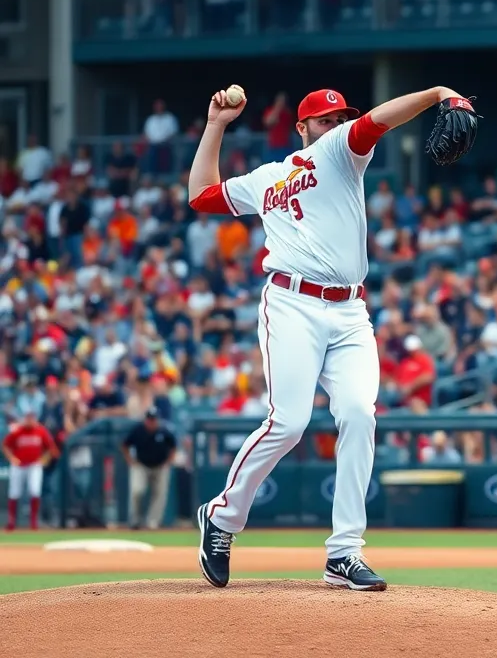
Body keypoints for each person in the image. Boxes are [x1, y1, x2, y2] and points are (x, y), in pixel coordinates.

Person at [187, 80, 470, 591]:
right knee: (290, 422)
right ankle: (222, 518)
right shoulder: (268, 177)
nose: (335, 126)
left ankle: (344, 552)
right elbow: (202, 196)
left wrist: (435, 95)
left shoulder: (342, 153)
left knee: (360, 415)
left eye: (339, 120)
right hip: (291, 302)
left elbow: (378, 121)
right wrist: (215, 127)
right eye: (324, 120)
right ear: (302, 127)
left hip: (349, 311)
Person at [122, 407, 178, 530]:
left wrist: (168, 462)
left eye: (154, 419)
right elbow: (125, 445)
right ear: (146, 420)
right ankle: (135, 521)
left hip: (160, 465)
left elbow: (173, 446)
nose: (151, 422)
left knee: (159, 494)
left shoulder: (164, 431)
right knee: (137, 491)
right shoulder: (138, 430)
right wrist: (131, 460)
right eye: (149, 419)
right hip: (141, 465)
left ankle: (153, 522)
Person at [3, 411, 57, 531]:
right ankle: (11, 523)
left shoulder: (41, 431)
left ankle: (34, 523)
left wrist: (44, 459)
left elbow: (51, 448)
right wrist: (12, 458)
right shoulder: (18, 431)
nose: (30, 420)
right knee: (14, 492)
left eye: (32, 418)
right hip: (19, 465)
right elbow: (5, 445)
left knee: (34, 491)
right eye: (28, 418)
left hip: (34, 465)